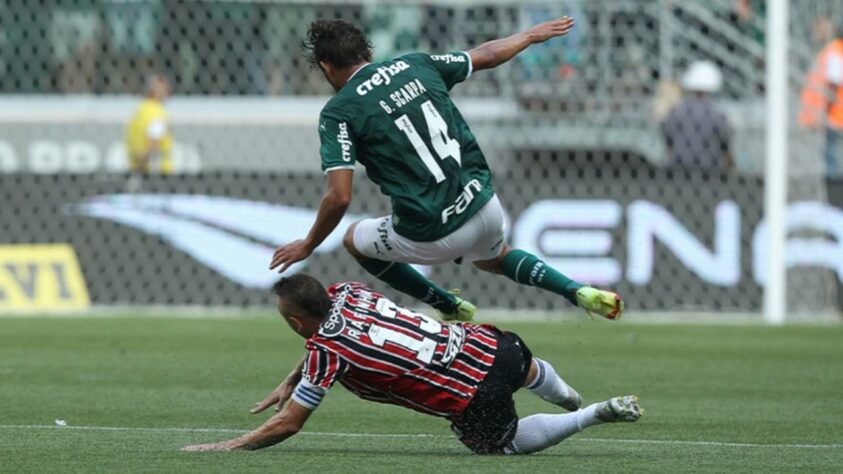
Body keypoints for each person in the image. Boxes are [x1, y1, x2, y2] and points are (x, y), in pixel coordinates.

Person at [268, 17, 623, 322]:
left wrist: (309, 243)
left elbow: (339, 196)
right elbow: (484, 55)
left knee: (354, 240)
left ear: (327, 68)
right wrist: (528, 35)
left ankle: (448, 305)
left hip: (431, 231)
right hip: (483, 203)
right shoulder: (416, 65)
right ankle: (577, 291)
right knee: (494, 258)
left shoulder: (339, 112)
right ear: (369, 54)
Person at [182, 274, 642, 454]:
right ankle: (567, 395)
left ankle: (589, 414)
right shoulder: (348, 291)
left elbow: (288, 425)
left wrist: (229, 446)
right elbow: (322, 341)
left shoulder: (327, 353)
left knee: (501, 447)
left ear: (298, 323)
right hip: (493, 345)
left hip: (472, 396)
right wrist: (292, 377)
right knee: (527, 367)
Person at [661, 61, 734, 171]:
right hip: (711, 172)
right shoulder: (717, 116)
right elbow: (725, 145)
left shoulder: (674, 113)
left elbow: (668, 143)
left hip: (678, 171)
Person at [799, 24, 843, 177]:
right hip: (836, 117)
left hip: (835, 118)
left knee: (833, 165)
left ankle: (836, 197)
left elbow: (834, 81)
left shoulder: (836, 50)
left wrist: (822, 113)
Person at [125, 73, 174, 179]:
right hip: (156, 173)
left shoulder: (140, 110)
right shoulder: (157, 113)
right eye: (165, 89)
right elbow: (152, 145)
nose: (168, 92)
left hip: (136, 168)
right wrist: (142, 165)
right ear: (155, 91)